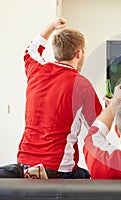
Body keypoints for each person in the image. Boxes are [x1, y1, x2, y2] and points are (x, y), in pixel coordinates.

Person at [17, 17, 102, 178]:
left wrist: (51, 26)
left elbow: (31, 50)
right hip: (58, 170)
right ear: (79, 53)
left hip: (25, 164)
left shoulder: (36, 70)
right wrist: (113, 106)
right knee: (93, 179)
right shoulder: (82, 84)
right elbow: (97, 127)